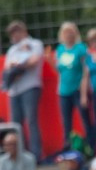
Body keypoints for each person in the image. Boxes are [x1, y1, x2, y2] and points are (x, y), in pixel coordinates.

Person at [3, 19, 44, 162]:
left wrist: (19, 66)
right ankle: (21, 156)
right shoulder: (12, 50)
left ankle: (35, 155)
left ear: (24, 31)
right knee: (15, 124)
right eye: (12, 33)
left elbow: (33, 62)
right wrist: (20, 66)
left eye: (17, 31)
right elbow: (8, 70)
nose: (15, 35)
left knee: (31, 120)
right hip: (14, 91)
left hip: (30, 87)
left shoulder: (35, 44)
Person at [54, 21, 90, 149]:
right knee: (66, 122)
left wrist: (84, 94)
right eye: (65, 32)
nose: (68, 35)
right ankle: (67, 145)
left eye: (71, 32)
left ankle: (90, 145)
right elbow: (59, 70)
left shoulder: (81, 48)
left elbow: (86, 70)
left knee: (85, 119)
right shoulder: (60, 50)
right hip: (64, 91)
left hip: (78, 89)